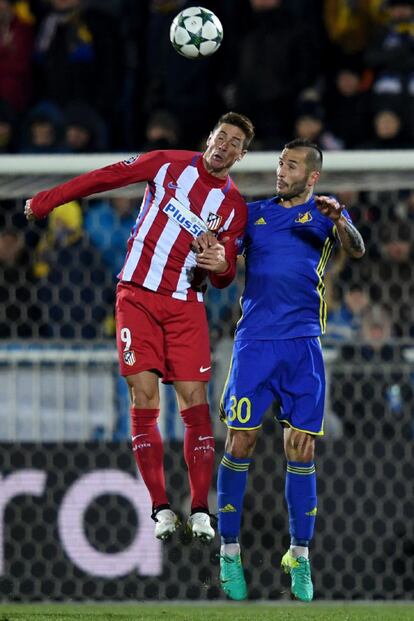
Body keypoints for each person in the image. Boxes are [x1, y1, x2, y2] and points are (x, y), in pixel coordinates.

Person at [24, 111, 255, 542]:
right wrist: (50, 198)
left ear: (242, 155)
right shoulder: (167, 163)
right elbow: (106, 177)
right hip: (137, 296)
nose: (224, 145)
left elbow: (225, 272)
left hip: (186, 305)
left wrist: (220, 264)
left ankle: (200, 510)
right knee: (143, 395)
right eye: (221, 135)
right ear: (209, 137)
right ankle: (161, 508)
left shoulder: (233, 208)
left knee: (195, 403)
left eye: (235, 142)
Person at [194, 138, 365, 600]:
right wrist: (212, 250)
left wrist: (339, 221)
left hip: (304, 345)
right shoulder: (254, 214)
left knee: (302, 449)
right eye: (279, 164)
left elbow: (358, 247)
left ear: (311, 176)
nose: (280, 171)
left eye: (290, 166)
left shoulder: (327, 216)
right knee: (240, 439)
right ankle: (230, 552)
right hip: (254, 346)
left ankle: (299, 557)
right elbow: (226, 257)